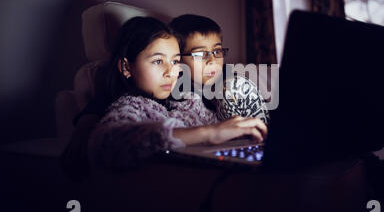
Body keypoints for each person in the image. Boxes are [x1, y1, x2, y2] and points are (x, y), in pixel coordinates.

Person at [86, 16, 267, 171]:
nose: (171, 72)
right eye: (158, 61)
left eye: (175, 62)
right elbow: (107, 141)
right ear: (126, 67)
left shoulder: (188, 98)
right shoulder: (133, 105)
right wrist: (208, 133)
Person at [169, 14, 270, 124]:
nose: (212, 60)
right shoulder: (177, 90)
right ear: (179, 60)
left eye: (217, 51)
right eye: (200, 54)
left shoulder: (229, 77)